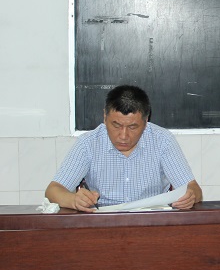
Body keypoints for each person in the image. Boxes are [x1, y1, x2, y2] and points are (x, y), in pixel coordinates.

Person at [45, 85, 202, 211]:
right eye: (116, 125)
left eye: (133, 127)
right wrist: (74, 200)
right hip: (103, 222)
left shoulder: (162, 140)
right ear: (105, 117)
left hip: (151, 221)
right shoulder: (88, 144)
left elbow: (194, 189)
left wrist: (190, 197)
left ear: (146, 121)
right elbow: (53, 190)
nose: (123, 136)